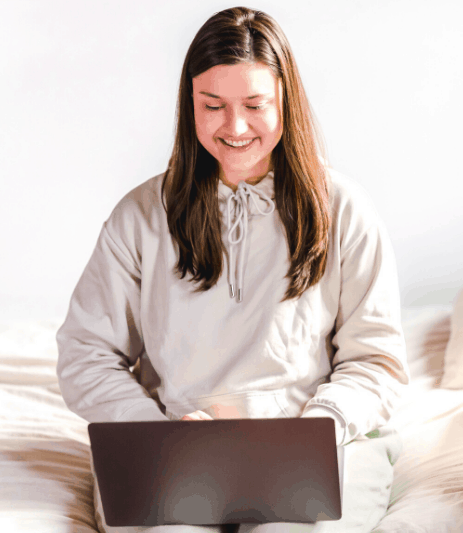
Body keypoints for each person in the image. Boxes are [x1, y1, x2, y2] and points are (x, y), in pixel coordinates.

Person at [56, 6, 408, 533]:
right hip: (175, 455)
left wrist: (314, 429)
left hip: (311, 450)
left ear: (285, 101)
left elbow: (376, 361)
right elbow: (85, 355)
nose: (235, 126)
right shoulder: (141, 216)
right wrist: (157, 432)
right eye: (213, 105)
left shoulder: (344, 209)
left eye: (254, 104)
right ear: (189, 105)